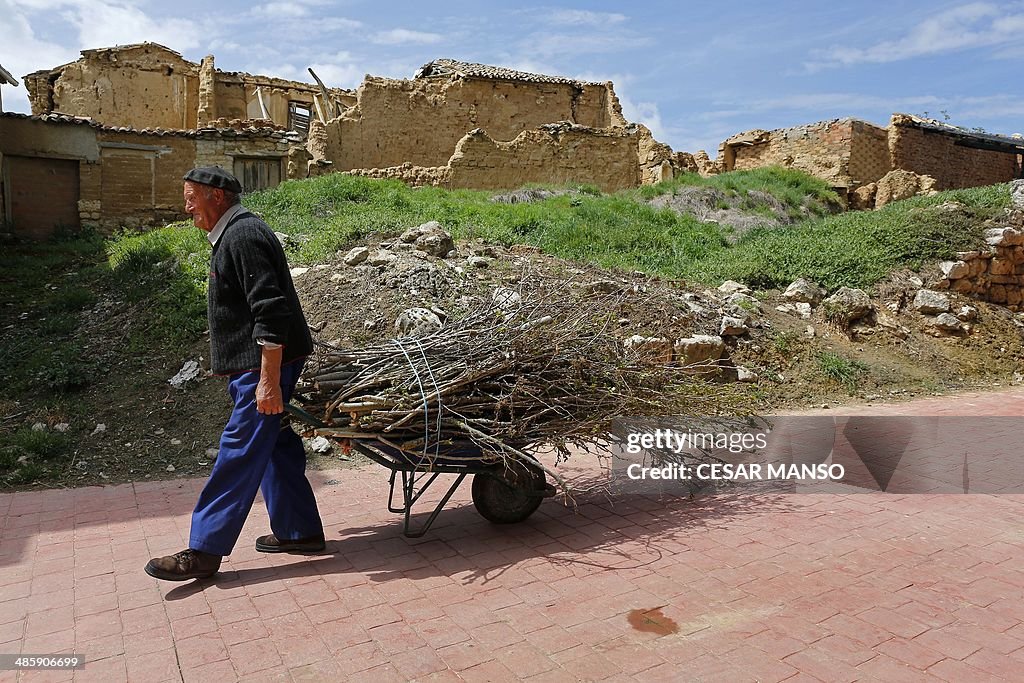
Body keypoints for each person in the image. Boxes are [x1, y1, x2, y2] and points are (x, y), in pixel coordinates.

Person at [145, 166, 325, 581]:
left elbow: (270, 309)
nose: (186, 205)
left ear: (218, 196)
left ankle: (204, 550)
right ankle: (299, 531)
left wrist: (267, 380)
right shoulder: (232, 235)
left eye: (192, 196)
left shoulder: (243, 234)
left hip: (262, 368)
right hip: (255, 366)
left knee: (240, 450)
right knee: (274, 445)